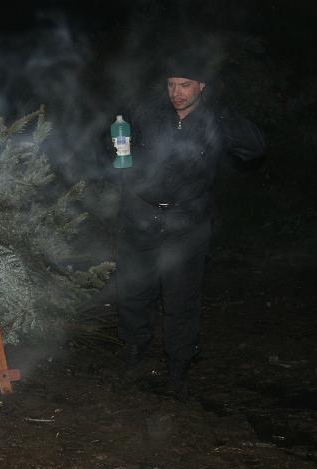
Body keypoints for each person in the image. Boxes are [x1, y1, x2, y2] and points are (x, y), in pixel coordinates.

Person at [116, 53, 265, 400]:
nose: (176, 92)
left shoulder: (216, 120)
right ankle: (133, 351)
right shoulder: (149, 113)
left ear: (201, 87)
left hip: (188, 222)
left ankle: (178, 366)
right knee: (135, 289)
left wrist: (222, 114)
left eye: (185, 85)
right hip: (140, 215)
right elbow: (117, 148)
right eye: (171, 84)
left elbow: (255, 148)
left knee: (181, 297)